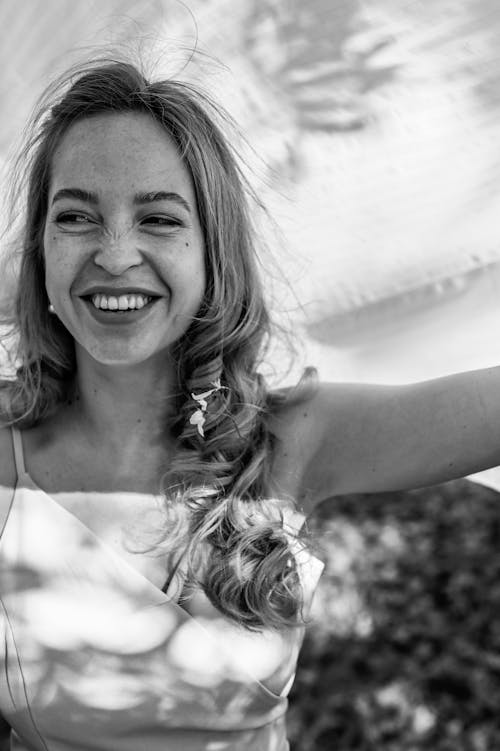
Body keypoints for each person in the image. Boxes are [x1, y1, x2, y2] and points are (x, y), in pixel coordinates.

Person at [0, 56, 499, 751]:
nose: (115, 254)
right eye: (77, 216)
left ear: (213, 252)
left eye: (158, 218)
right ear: (40, 250)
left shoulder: (293, 437)